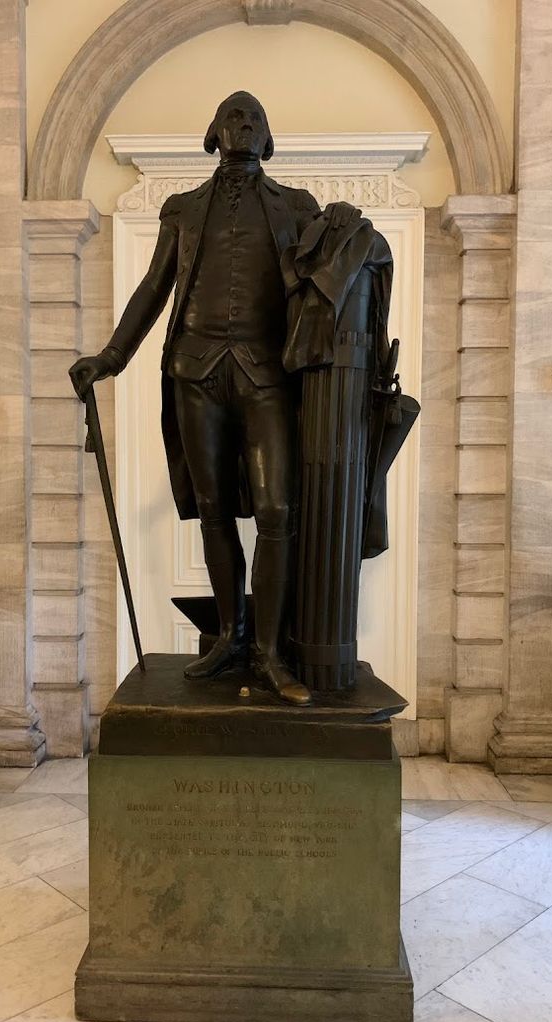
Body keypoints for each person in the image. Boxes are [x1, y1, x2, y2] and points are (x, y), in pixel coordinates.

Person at [70, 91, 356, 705]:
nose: (244, 123)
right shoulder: (184, 209)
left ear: (268, 136)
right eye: (234, 115)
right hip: (195, 372)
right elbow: (153, 287)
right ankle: (230, 636)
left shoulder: (297, 207)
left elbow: (327, 278)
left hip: (266, 374)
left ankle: (271, 652)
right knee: (213, 507)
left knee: (279, 510)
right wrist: (112, 356)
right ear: (213, 132)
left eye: (255, 116)